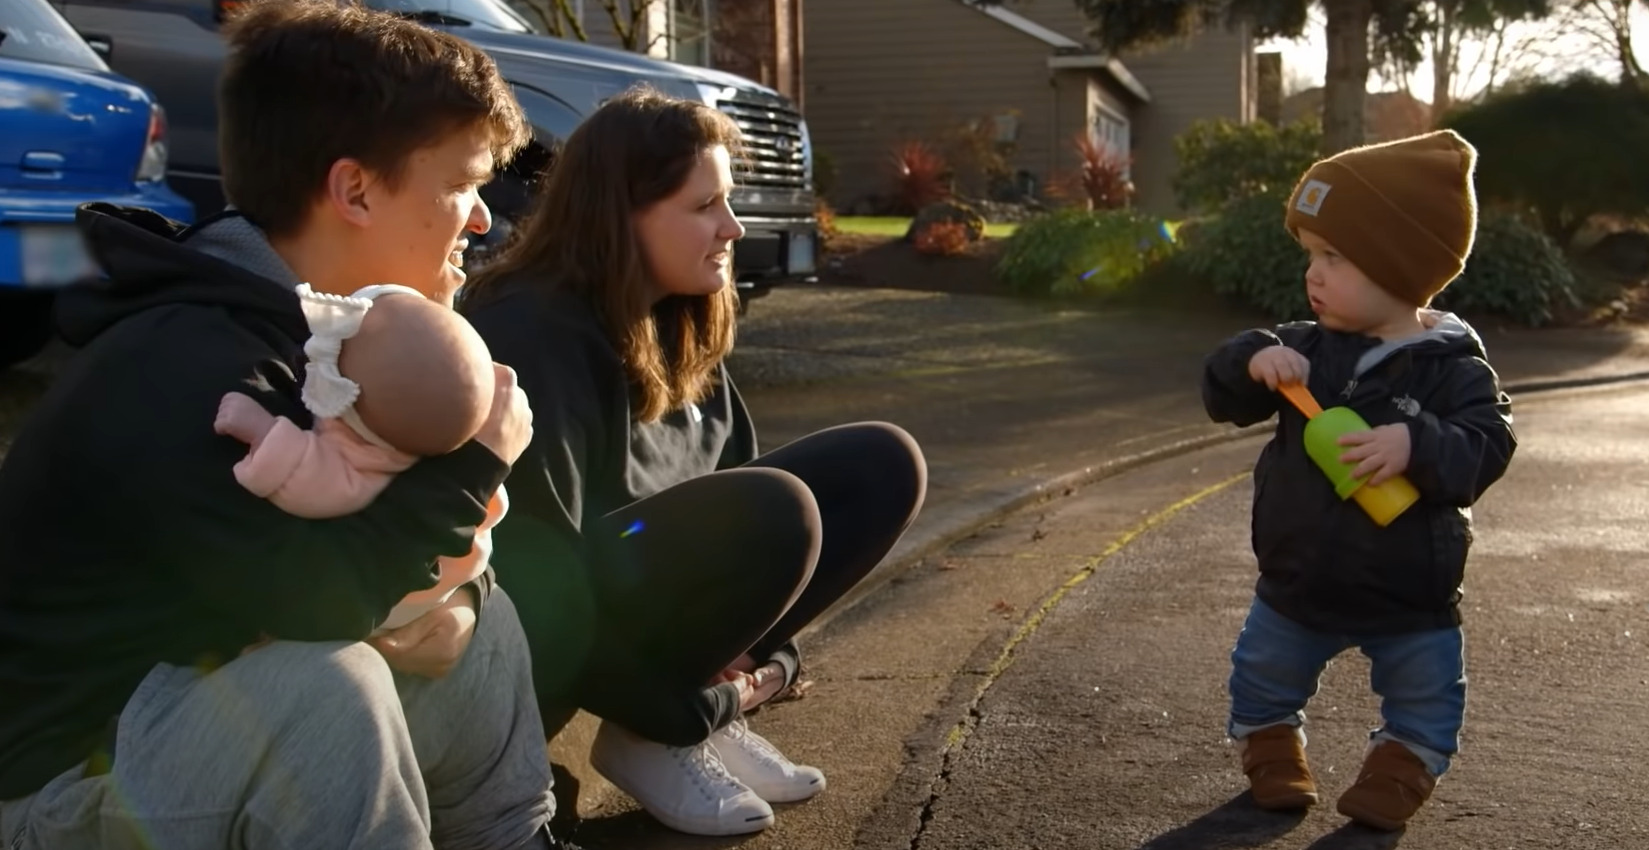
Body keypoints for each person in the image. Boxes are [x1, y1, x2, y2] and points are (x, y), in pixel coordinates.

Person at [0, 1, 580, 847]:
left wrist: (451, 601)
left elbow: (369, 575)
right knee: (325, 690)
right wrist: (474, 462)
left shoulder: (326, 342)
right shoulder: (193, 366)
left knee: (476, 609)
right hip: (60, 787)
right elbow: (317, 604)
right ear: (352, 190)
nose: (484, 218)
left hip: (192, 714)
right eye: (460, 184)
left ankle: (513, 838)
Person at [459, 86, 928, 837]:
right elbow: (531, 589)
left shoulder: (675, 316)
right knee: (774, 509)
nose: (732, 227)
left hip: (636, 612)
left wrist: (764, 660)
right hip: (556, 643)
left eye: (728, 201)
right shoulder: (532, 334)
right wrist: (686, 705)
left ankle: (679, 717)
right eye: (704, 205)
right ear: (622, 215)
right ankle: (659, 730)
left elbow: (726, 490)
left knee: (881, 462)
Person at [1201, 129, 1517, 831]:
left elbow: (1487, 443)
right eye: (1310, 254)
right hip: (1298, 577)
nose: (1313, 273)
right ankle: (1269, 743)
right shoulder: (1302, 348)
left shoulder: (1451, 370)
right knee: (1262, 671)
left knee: (1427, 691)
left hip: (1409, 587)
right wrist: (1251, 360)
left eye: (1334, 257)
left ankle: (1402, 764)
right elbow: (1224, 392)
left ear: (1398, 267)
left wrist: (1416, 442)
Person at [215, 284, 509, 632]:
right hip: (445, 575)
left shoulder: (363, 458)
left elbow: (308, 478)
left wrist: (262, 429)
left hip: (399, 604)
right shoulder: (431, 432)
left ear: (348, 395)